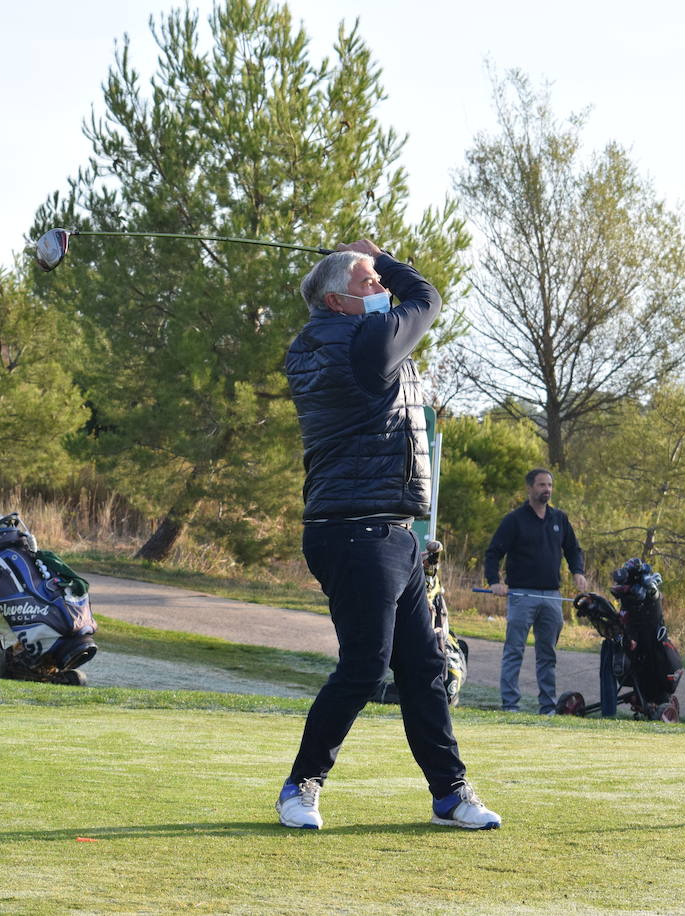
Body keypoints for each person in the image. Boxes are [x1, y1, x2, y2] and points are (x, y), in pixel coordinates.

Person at [277, 240, 501, 831]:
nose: (381, 291)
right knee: (366, 668)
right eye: (369, 283)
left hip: (385, 531)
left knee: (423, 668)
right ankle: (300, 787)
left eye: (378, 281)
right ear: (336, 300)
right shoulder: (364, 344)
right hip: (357, 533)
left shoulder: (320, 342)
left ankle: (450, 794)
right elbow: (427, 298)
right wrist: (384, 256)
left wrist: (367, 268)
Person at [483, 469, 588, 714]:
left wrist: (578, 571)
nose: (547, 489)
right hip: (521, 596)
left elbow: (573, 549)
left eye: (549, 485)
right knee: (514, 651)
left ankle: (548, 707)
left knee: (547, 655)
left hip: (551, 597)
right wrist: (493, 581)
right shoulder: (514, 520)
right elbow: (493, 552)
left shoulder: (559, 519)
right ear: (529, 488)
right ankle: (510, 704)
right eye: (542, 485)